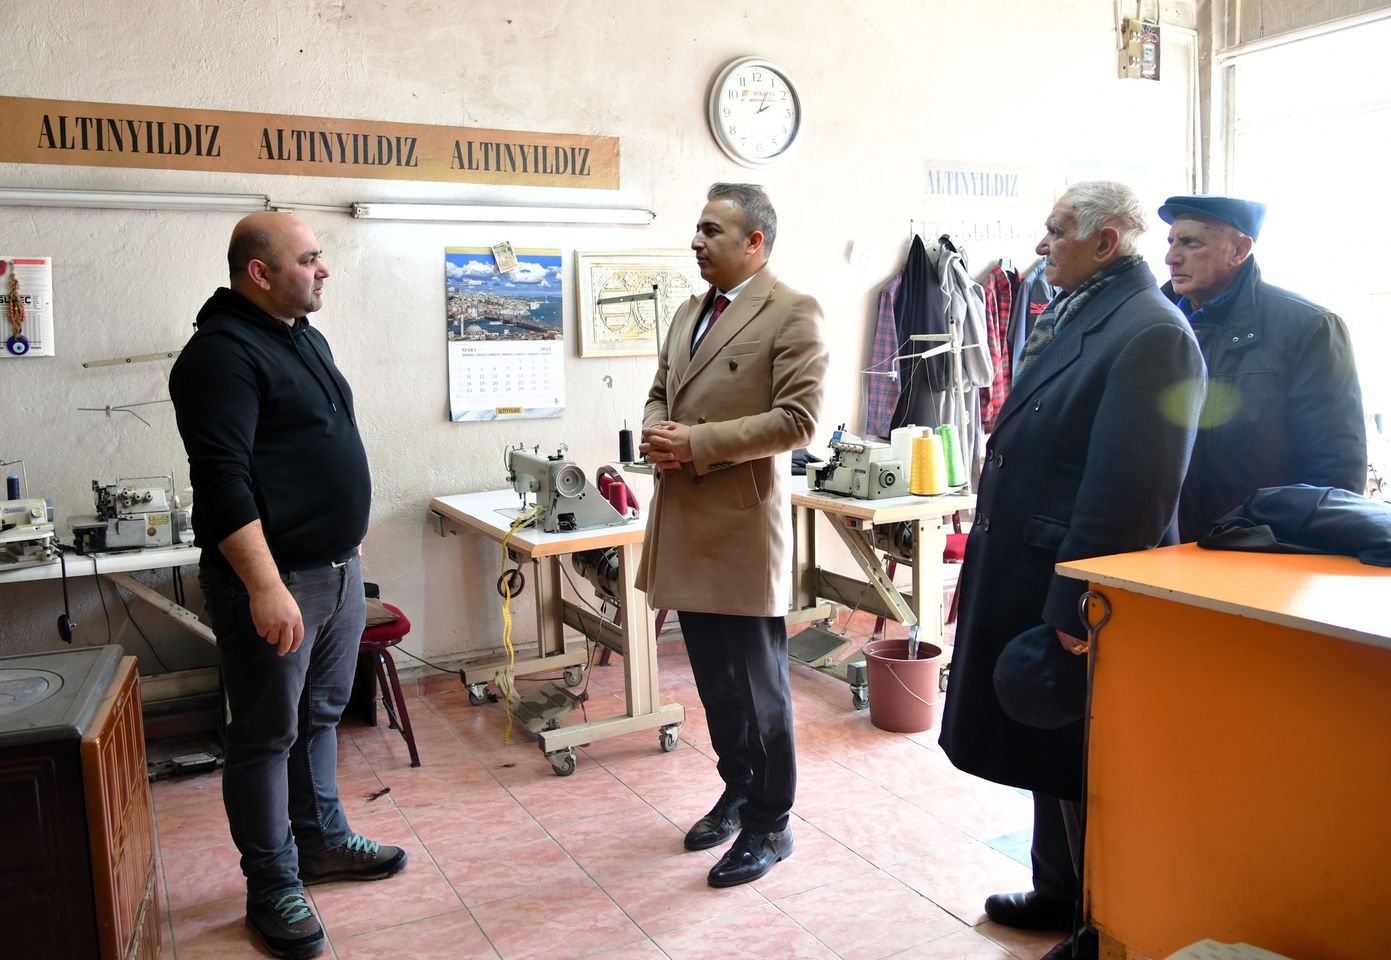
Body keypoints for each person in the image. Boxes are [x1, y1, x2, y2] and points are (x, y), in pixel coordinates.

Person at [938, 182, 1206, 960]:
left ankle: (1103, 922)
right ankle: (1058, 890)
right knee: (1047, 748)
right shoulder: (1083, 314)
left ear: (1107, 242)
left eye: (1056, 232)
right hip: (1032, 569)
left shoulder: (1150, 333)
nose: (1040, 245)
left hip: (1081, 598)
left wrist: (1073, 611)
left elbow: (1131, 492)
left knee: (1090, 764)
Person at [170, 212, 404, 960]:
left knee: (322, 716)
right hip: (277, 582)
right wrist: (266, 587)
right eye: (308, 259)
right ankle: (271, 883)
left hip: (335, 572)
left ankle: (322, 843)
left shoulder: (301, 337)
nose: (324, 269)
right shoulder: (219, 356)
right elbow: (221, 482)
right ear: (260, 272)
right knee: (266, 734)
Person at [638, 182, 828, 888]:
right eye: (696, 228)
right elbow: (663, 386)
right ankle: (738, 787)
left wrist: (696, 444)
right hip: (685, 522)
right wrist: (659, 429)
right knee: (715, 684)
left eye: (711, 230)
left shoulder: (793, 312)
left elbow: (798, 420)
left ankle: (770, 824)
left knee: (759, 690)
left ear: (755, 241)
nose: (696, 241)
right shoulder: (690, 310)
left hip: (742, 527)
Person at [1157, 194, 1366, 540]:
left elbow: (1336, 469)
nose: (1171, 257)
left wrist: (1295, 548)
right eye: (1171, 242)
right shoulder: (1154, 323)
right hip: (1158, 549)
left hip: (1258, 550)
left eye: (1189, 242)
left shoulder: (1308, 326)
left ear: (1239, 249)